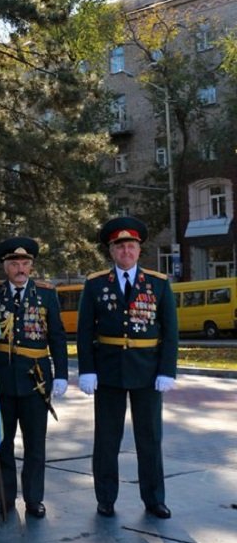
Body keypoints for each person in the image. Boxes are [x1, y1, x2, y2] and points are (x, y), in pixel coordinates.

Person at [76, 215, 178, 519]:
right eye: (120, 247)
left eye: (131, 246)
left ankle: (154, 499)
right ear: (111, 251)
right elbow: (84, 331)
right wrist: (87, 369)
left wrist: (167, 370)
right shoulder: (95, 284)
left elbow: (170, 331)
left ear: (139, 250)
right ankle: (106, 498)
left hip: (148, 373)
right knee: (107, 439)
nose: (126, 252)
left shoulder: (158, 284)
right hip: (107, 372)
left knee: (150, 439)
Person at [0, 237, 68, 518]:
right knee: (1, 444)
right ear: (5, 267)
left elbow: (57, 336)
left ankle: (34, 499)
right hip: (0, 380)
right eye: (14, 264)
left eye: (25, 263)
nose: (20, 268)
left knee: (35, 443)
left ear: (32, 266)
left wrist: (62, 374)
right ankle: (4, 497)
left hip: (36, 380)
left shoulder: (46, 294)